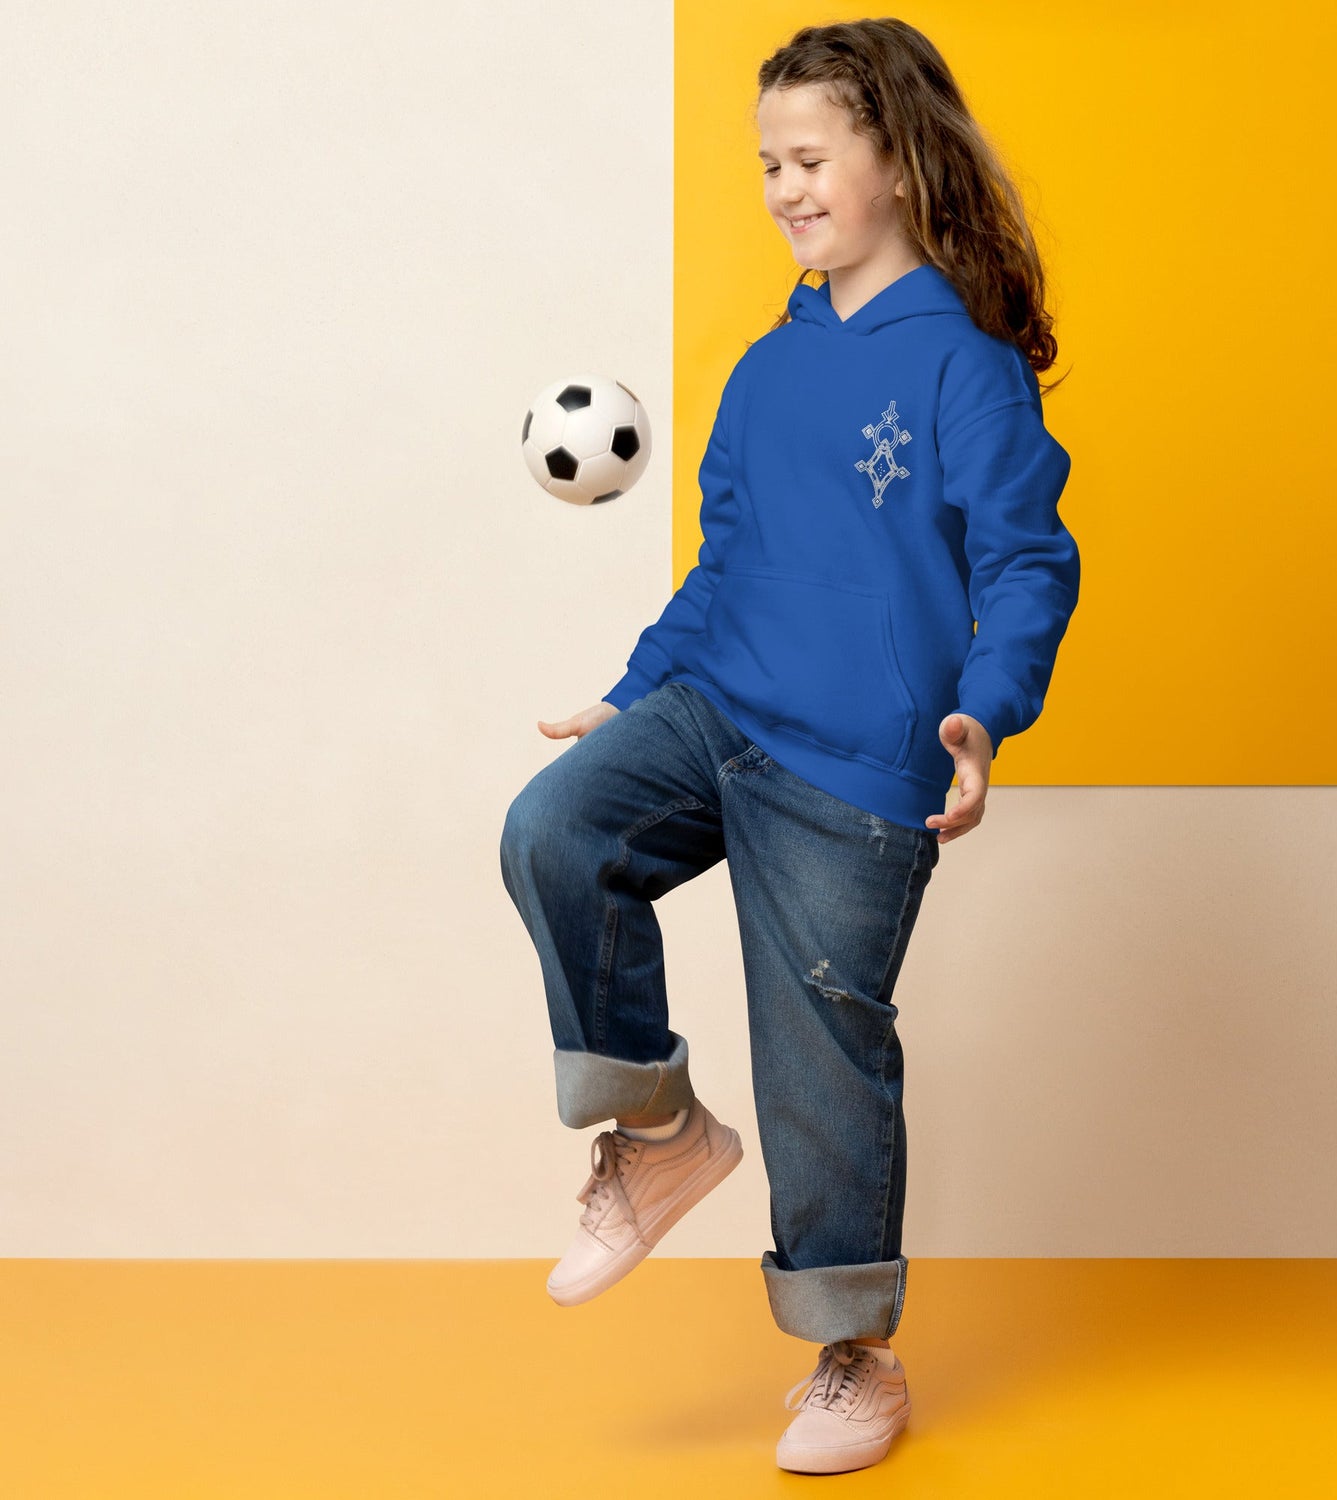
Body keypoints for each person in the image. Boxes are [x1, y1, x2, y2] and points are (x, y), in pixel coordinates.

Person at [500, 16, 1080, 1476]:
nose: (784, 186)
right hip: (719, 712)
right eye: (768, 162)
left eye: (811, 157)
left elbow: (1027, 559)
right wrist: (638, 691)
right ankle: (657, 1132)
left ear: (896, 157)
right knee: (554, 831)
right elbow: (725, 562)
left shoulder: (964, 364)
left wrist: (986, 707)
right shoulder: (765, 370)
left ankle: (853, 1358)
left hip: (859, 762)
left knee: (819, 1051)